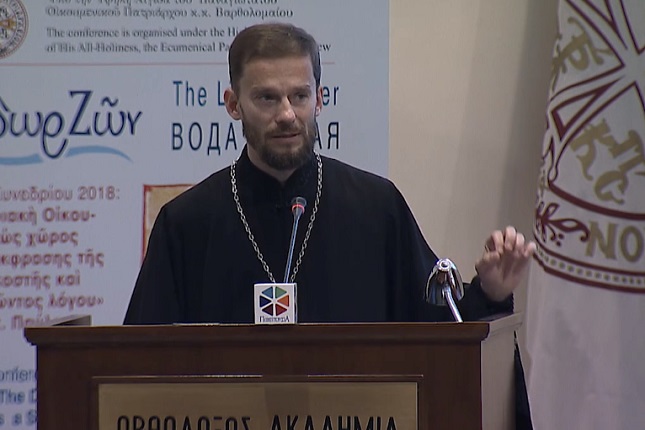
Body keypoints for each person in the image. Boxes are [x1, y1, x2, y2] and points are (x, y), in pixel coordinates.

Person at [124, 22, 535, 429]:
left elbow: (439, 339)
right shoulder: (186, 223)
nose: (287, 114)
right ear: (234, 104)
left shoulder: (376, 207)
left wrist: (490, 293)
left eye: (299, 96)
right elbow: (137, 369)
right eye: (267, 98)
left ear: (319, 99)